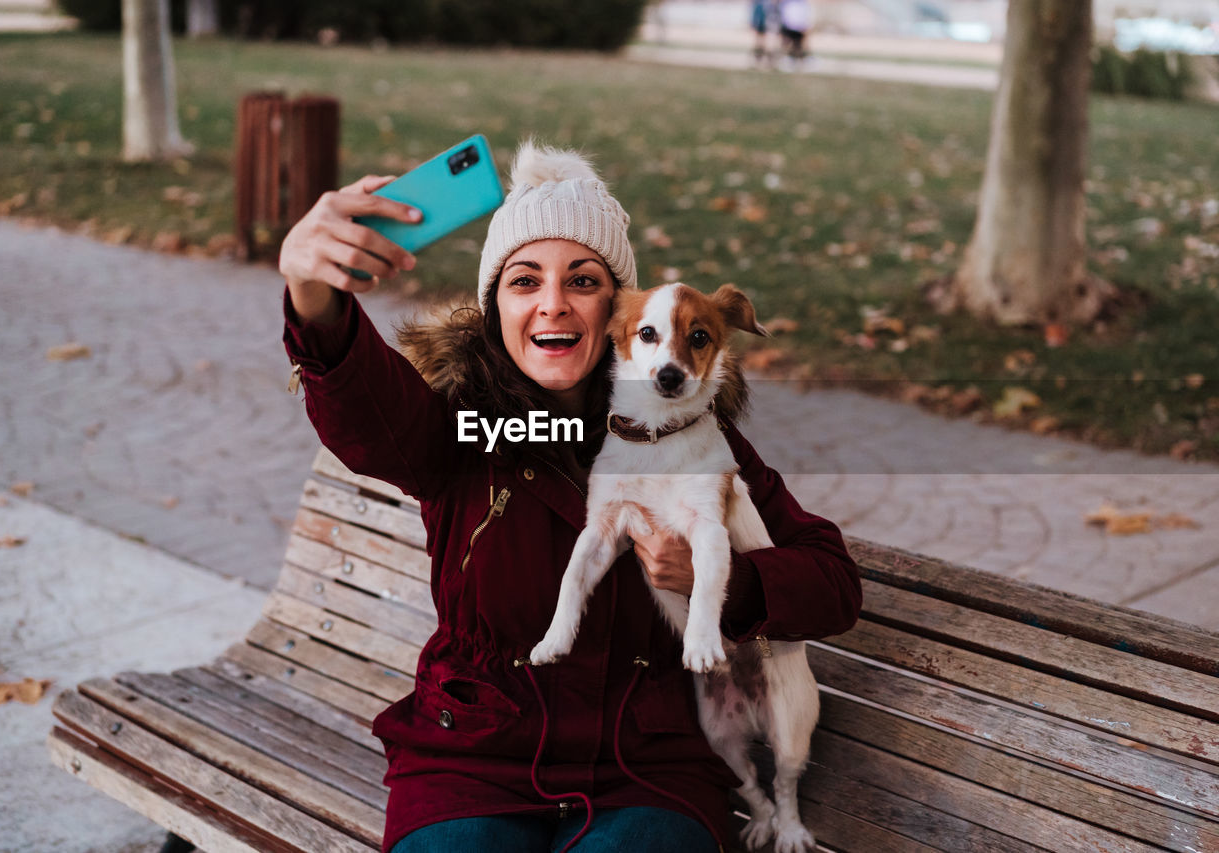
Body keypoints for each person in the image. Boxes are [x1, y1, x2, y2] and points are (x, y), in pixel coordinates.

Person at [278, 141, 861, 853]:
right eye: (524, 281)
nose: (553, 301)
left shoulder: (693, 440)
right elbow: (365, 411)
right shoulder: (460, 428)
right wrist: (314, 291)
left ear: (620, 316)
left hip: (647, 773)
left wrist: (718, 575)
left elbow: (834, 581)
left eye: (582, 280)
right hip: (473, 762)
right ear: (496, 308)